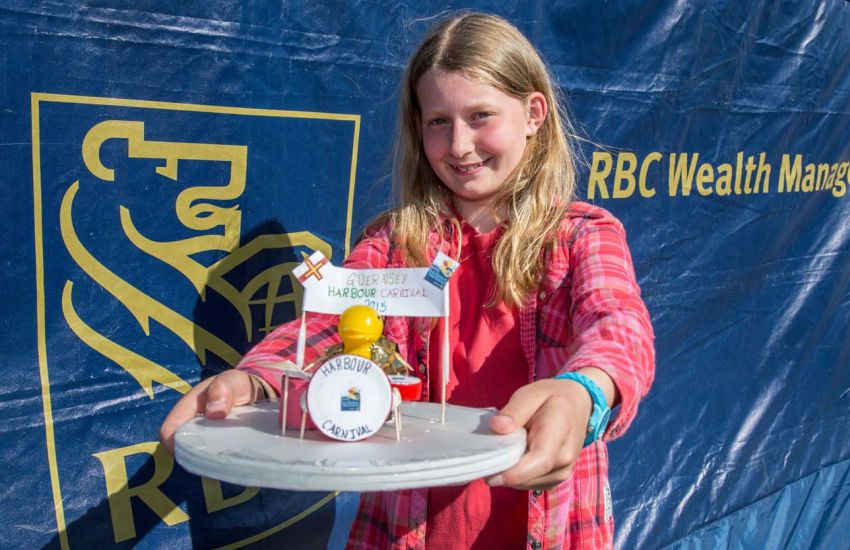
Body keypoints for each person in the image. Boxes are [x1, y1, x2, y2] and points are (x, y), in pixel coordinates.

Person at [160, 11, 655, 549]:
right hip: (403, 533)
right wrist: (255, 378)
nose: (460, 145)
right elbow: (331, 324)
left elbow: (617, 325)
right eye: (438, 121)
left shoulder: (582, 236)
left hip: (551, 528)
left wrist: (584, 389)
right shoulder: (396, 243)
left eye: (481, 115)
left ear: (534, 113)